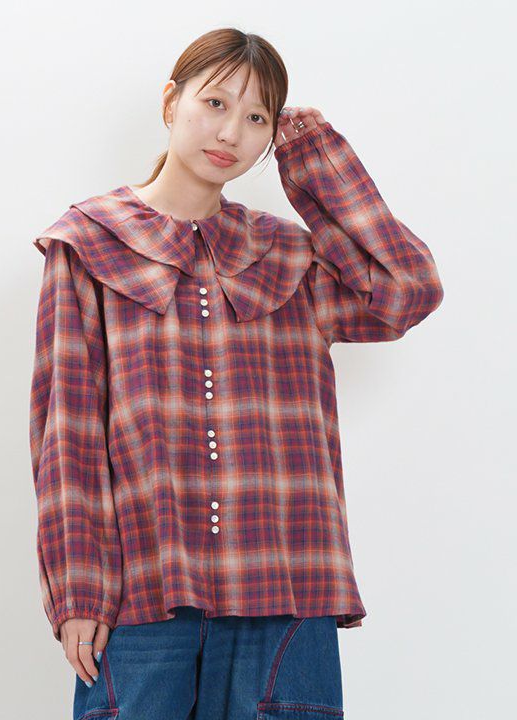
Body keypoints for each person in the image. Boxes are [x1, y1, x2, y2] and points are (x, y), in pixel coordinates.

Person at [29, 27, 444, 720]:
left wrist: (313, 155)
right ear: (172, 101)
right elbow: (65, 434)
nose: (231, 133)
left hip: (286, 591)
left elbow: (408, 292)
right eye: (216, 103)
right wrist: (77, 590)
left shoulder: (291, 258)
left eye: (256, 118)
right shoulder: (89, 243)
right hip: (143, 594)